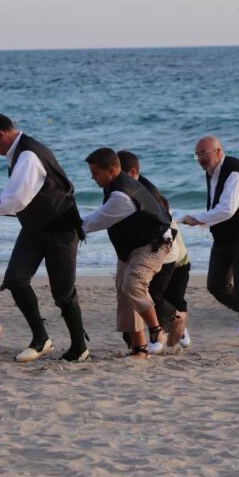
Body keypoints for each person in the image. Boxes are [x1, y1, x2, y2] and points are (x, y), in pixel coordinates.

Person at [0, 114, 88, 363]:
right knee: (15, 280)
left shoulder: (28, 155)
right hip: (34, 228)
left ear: (1, 135)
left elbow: (17, 198)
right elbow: (16, 192)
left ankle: (79, 347)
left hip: (60, 228)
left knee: (63, 292)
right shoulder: (16, 153)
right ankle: (41, 339)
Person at [81, 148, 173, 359]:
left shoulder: (122, 196)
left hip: (154, 243)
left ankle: (157, 332)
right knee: (124, 293)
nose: (92, 178)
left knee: (133, 284)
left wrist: (68, 224)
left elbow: (95, 221)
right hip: (131, 246)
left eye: (95, 173)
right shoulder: (115, 185)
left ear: (112, 170)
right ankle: (139, 349)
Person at [182, 136, 239, 348]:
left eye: (205, 153)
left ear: (219, 151)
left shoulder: (235, 172)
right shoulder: (211, 172)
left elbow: (227, 209)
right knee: (215, 285)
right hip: (223, 237)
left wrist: (198, 219)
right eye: (198, 155)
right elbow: (216, 205)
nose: (201, 158)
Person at [117, 150, 192, 348]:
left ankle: (171, 323)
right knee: (134, 294)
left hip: (167, 255)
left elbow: (168, 233)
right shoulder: (130, 189)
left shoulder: (145, 193)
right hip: (146, 251)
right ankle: (141, 341)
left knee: (149, 296)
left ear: (132, 172)